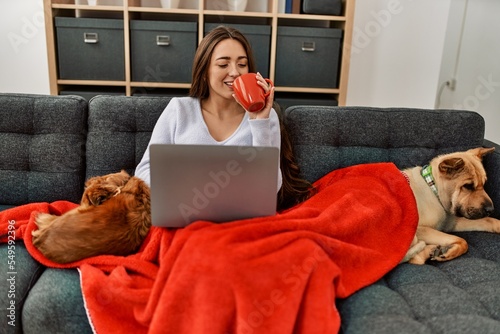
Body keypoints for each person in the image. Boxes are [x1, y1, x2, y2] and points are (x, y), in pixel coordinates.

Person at [135, 25, 314, 211]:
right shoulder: (179, 110)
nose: (235, 72)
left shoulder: (267, 118)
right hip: (187, 216)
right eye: (223, 64)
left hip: (242, 221)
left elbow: (270, 188)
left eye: (242, 64)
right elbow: (143, 173)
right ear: (204, 72)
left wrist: (259, 121)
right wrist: (184, 190)